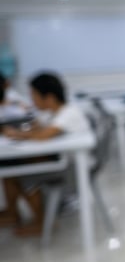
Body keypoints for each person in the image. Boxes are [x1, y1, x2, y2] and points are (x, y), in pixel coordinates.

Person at [1, 72, 90, 236]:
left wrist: (16, 134)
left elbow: (43, 135)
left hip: (71, 168)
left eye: (34, 95)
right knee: (11, 169)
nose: (32, 100)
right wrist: (28, 129)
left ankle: (42, 222)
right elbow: (37, 128)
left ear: (48, 97)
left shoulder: (68, 113)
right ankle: (12, 213)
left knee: (21, 174)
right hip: (58, 160)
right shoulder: (51, 113)